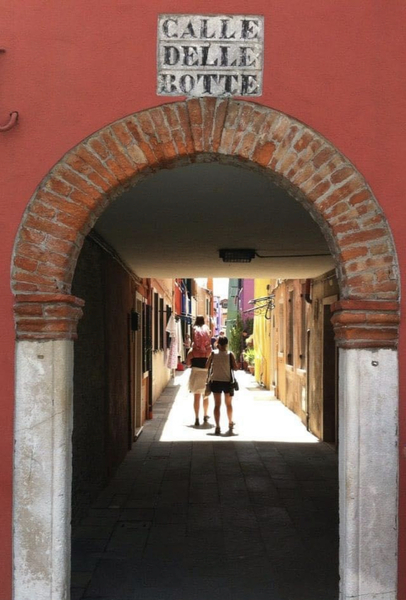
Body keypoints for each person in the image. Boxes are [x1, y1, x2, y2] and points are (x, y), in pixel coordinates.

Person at [206, 335, 238, 435]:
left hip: (216, 381)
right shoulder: (230, 354)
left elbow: (206, 366)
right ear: (227, 344)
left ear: (218, 343)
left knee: (217, 405)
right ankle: (230, 422)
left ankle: (217, 426)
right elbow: (236, 368)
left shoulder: (213, 354)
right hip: (227, 382)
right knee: (228, 404)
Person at [186, 316, 212, 426]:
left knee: (196, 397)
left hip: (196, 373)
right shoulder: (209, 351)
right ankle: (205, 415)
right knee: (205, 396)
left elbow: (188, 363)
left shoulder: (192, 352)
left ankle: (196, 418)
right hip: (206, 373)